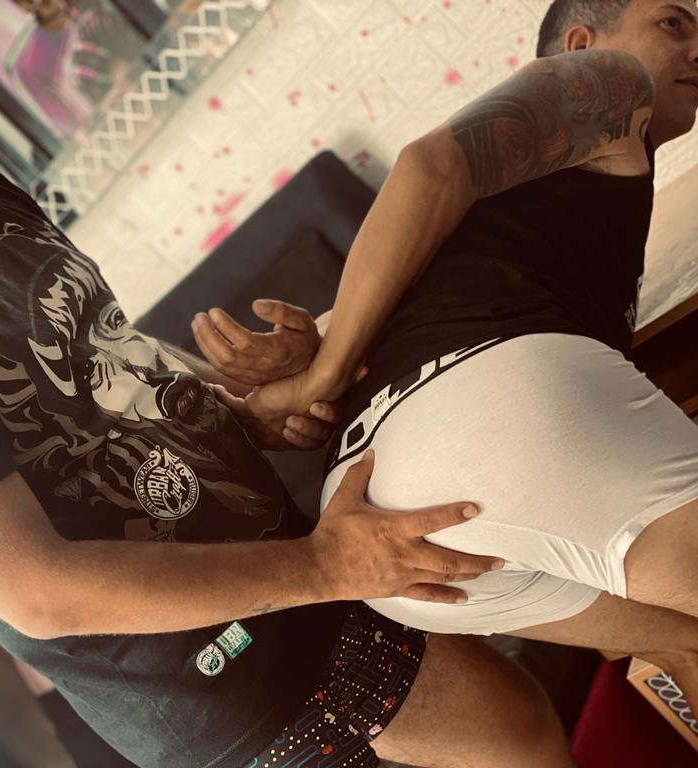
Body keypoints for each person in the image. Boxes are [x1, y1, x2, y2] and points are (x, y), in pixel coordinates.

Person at [0, 1, 574, 766]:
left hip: (304, 572)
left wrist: (242, 406)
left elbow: (105, 352)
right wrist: (328, 566)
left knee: (525, 727)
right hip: (231, 698)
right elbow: (39, 591)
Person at [193, 0, 698, 748]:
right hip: (491, 415)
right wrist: (322, 373)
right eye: (674, 24)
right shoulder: (612, 82)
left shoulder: (523, 199)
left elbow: (388, 331)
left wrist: (312, 360)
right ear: (580, 44)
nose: (697, 48)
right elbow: (430, 166)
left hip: (389, 534)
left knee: (684, 646)